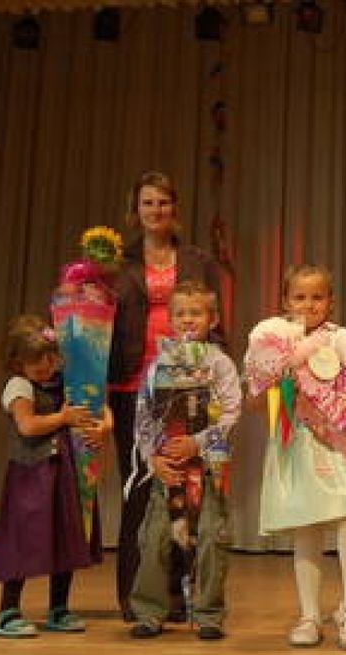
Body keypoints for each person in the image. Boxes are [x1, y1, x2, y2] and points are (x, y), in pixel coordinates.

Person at [246, 264, 346, 651]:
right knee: (307, 524)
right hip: (298, 440)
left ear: (331, 302)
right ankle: (309, 615)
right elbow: (254, 397)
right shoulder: (274, 339)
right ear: (285, 301)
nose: (309, 304)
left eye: (318, 297)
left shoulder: (340, 336)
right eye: (299, 297)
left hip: (342, 439)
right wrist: (273, 378)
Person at [108, 170, 221, 620]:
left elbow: (218, 324)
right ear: (135, 210)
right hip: (131, 386)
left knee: (185, 491)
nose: (156, 211)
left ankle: (178, 595)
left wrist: (215, 380)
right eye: (147, 203)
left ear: (175, 208)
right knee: (140, 492)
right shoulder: (116, 264)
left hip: (187, 386)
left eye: (163, 203)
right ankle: (136, 596)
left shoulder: (198, 260)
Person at [0, 314, 111, 638]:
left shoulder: (66, 380)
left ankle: (59, 607)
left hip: (67, 472)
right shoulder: (19, 386)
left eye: (49, 358)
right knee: (23, 539)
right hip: (32, 475)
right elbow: (27, 426)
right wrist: (63, 417)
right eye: (35, 361)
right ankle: (7, 610)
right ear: (16, 362)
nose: (44, 366)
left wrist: (103, 427)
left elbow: (102, 407)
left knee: (67, 536)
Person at [126, 281, 241, 641]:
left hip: (206, 468)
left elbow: (230, 412)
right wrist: (153, 458)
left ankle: (208, 613)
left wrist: (198, 442)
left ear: (213, 319)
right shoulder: (158, 363)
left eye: (196, 313)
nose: (188, 320)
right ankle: (149, 610)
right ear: (170, 320)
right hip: (168, 470)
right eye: (181, 314)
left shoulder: (219, 363)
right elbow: (144, 416)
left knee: (210, 536)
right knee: (155, 537)